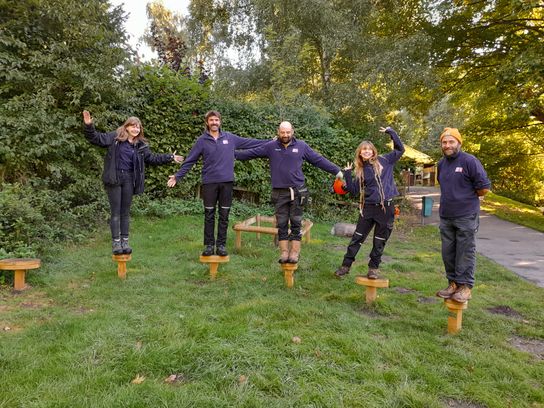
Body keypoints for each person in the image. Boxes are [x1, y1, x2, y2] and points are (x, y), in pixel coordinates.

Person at [235, 121, 343, 264]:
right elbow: (249, 154)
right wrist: (225, 151)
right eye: (282, 132)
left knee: (296, 223)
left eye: (288, 132)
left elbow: (318, 160)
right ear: (278, 132)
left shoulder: (302, 146)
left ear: (293, 131)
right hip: (279, 193)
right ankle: (284, 252)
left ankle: (294, 253)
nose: (285, 135)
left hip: (298, 192)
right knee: (281, 224)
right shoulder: (270, 147)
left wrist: (337, 170)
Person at [167, 110, 268, 257]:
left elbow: (250, 142)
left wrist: (271, 141)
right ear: (207, 122)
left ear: (220, 122)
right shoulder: (202, 141)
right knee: (209, 214)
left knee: (224, 215)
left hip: (226, 183)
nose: (214, 122)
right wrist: (177, 176)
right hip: (209, 183)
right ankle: (209, 245)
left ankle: (221, 245)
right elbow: (190, 160)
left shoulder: (230, 138)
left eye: (216, 120)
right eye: (211, 120)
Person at [82, 110, 183, 255]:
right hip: (115, 179)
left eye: (138, 127)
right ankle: (116, 243)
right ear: (127, 127)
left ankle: (125, 242)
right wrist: (88, 125)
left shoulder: (140, 145)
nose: (136, 129)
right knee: (115, 213)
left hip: (129, 180)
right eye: (133, 126)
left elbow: (152, 159)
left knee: (125, 213)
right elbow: (95, 138)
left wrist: (170, 157)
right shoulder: (115, 137)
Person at [334, 127, 405, 279]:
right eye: (363, 150)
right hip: (368, 208)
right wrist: (347, 173)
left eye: (369, 149)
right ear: (360, 153)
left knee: (379, 240)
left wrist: (391, 132)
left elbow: (400, 148)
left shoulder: (386, 160)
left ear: (373, 151)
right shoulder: (360, 171)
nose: (366, 151)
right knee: (357, 237)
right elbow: (353, 190)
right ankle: (345, 266)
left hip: (386, 208)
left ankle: (373, 269)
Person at [435, 127, 491, 303]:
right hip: (446, 215)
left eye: (451, 141)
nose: (447, 145)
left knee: (465, 251)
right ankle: (452, 284)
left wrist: (465, 199)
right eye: (444, 142)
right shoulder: (441, 164)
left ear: (459, 142)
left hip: (466, 215)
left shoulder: (469, 161)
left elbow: (484, 188)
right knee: (448, 252)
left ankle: (465, 287)